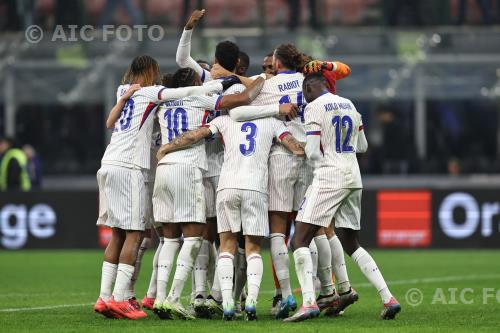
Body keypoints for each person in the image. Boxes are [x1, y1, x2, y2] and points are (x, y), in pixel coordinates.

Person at [93, 55, 226, 320]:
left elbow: (109, 123)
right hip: (129, 165)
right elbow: (183, 92)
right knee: (134, 234)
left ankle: (104, 297)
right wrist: (210, 87)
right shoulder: (151, 92)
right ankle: (120, 298)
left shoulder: (123, 90)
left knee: (118, 234)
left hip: (107, 162)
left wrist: (122, 99)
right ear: (151, 70)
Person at [156, 103, 304, 321]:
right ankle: (251, 302)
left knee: (226, 246)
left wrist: (167, 147)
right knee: (252, 248)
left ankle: (226, 304)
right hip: (256, 188)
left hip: (227, 187)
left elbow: (195, 135)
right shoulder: (273, 122)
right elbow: (296, 148)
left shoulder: (224, 120)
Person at [151, 68, 265, 320]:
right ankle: (173, 298)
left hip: (162, 169)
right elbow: (243, 100)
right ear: (193, 82)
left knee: (169, 240)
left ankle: (159, 298)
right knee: (193, 238)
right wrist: (260, 80)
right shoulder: (198, 97)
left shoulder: (164, 101)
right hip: (188, 168)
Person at [285, 72, 400, 322]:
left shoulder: (314, 108)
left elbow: (313, 152)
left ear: (308, 89)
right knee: (351, 243)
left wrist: (306, 151)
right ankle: (388, 298)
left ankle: (308, 303)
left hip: (329, 177)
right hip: (353, 177)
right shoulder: (349, 104)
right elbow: (363, 146)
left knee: (300, 240)